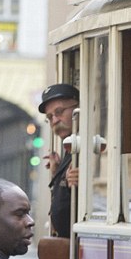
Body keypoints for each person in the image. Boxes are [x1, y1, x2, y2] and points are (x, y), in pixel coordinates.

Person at [38, 83, 80, 238]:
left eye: (59, 112)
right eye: (49, 117)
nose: (54, 120)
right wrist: (57, 172)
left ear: (78, 110)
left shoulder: (88, 145)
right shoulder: (69, 150)